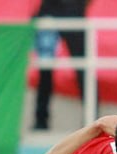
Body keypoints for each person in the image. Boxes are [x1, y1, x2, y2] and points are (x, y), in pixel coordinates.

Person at [31, 0, 89, 131]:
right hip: (49, 15)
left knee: (83, 69)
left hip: (73, 12)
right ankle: (40, 120)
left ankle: (90, 118)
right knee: (45, 69)